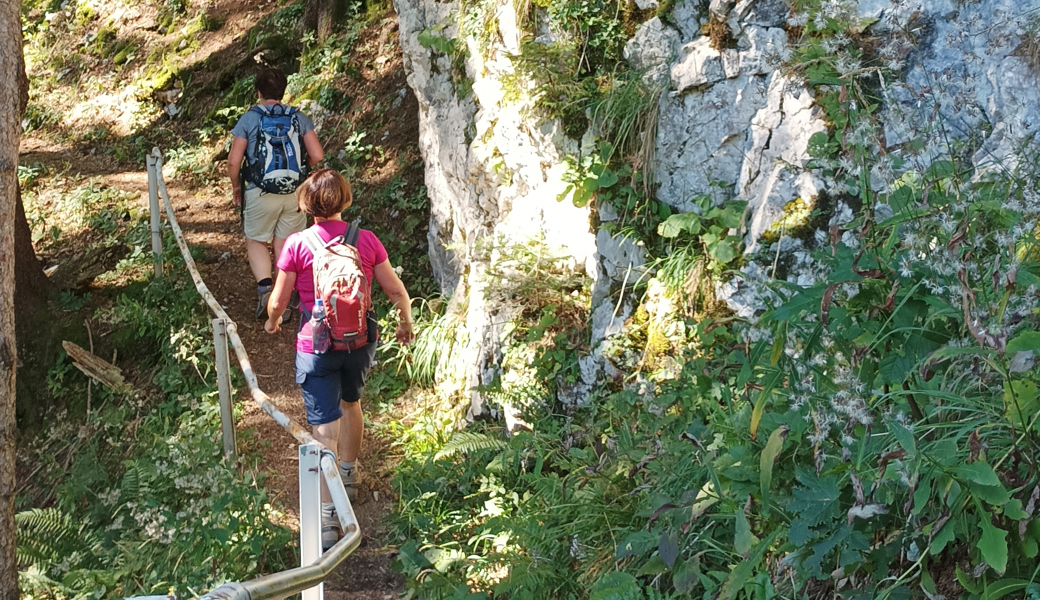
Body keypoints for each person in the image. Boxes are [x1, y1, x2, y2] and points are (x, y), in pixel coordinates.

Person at [264, 169, 414, 550]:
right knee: (352, 404)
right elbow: (395, 290)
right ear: (345, 201)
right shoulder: (365, 240)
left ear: (305, 204)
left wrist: (273, 320)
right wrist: (405, 323)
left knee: (322, 429)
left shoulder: (297, 244)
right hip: (359, 341)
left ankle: (329, 518)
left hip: (316, 346)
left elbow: (279, 300)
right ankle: (348, 474)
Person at [228, 67, 324, 322]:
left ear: (258, 92)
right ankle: (285, 294)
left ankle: (265, 291)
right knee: (285, 242)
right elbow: (317, 155)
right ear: (282, 91)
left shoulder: (249, 119)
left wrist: (237, 186)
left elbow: (234, 161)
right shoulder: (298, 118)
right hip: (294, 193)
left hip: (261, 191)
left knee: (257, 240)